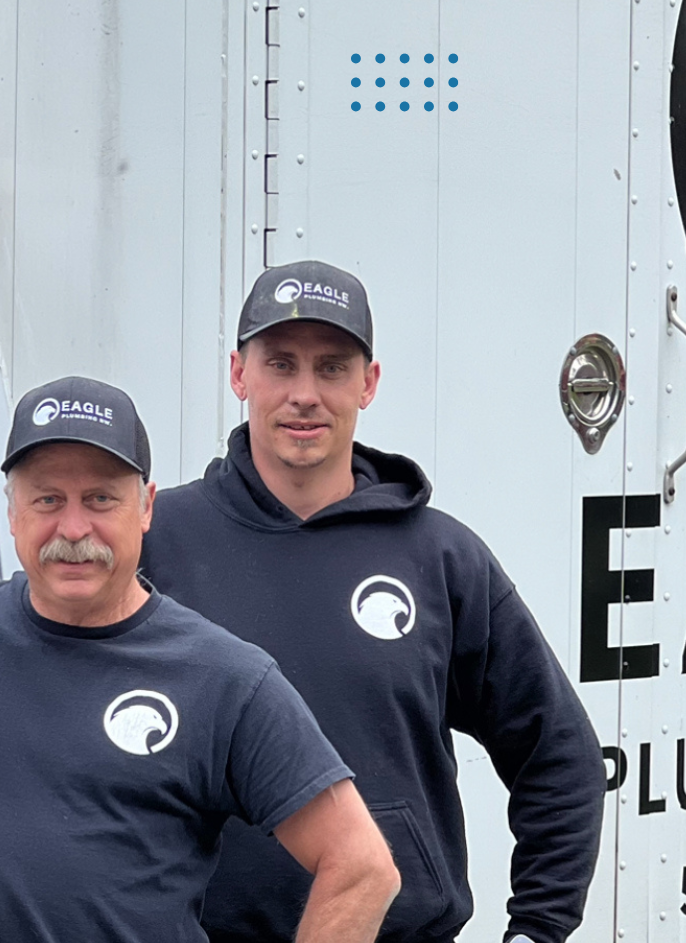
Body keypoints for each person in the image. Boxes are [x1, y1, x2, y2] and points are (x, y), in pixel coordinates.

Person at [140, 260, 607, 943]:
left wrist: (537, 929)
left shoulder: (440, 558)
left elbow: (560, 757)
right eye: (280, 365)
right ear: (239, 374)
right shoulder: (160, 545)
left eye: (332, 368)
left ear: (369, 382)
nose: (305, 394)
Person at [0, 375, 400, 942]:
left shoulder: (222, 678)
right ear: (12, 511)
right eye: (47, 499)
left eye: (100, 499)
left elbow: (361, 868)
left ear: (146, 507)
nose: (73, 528)